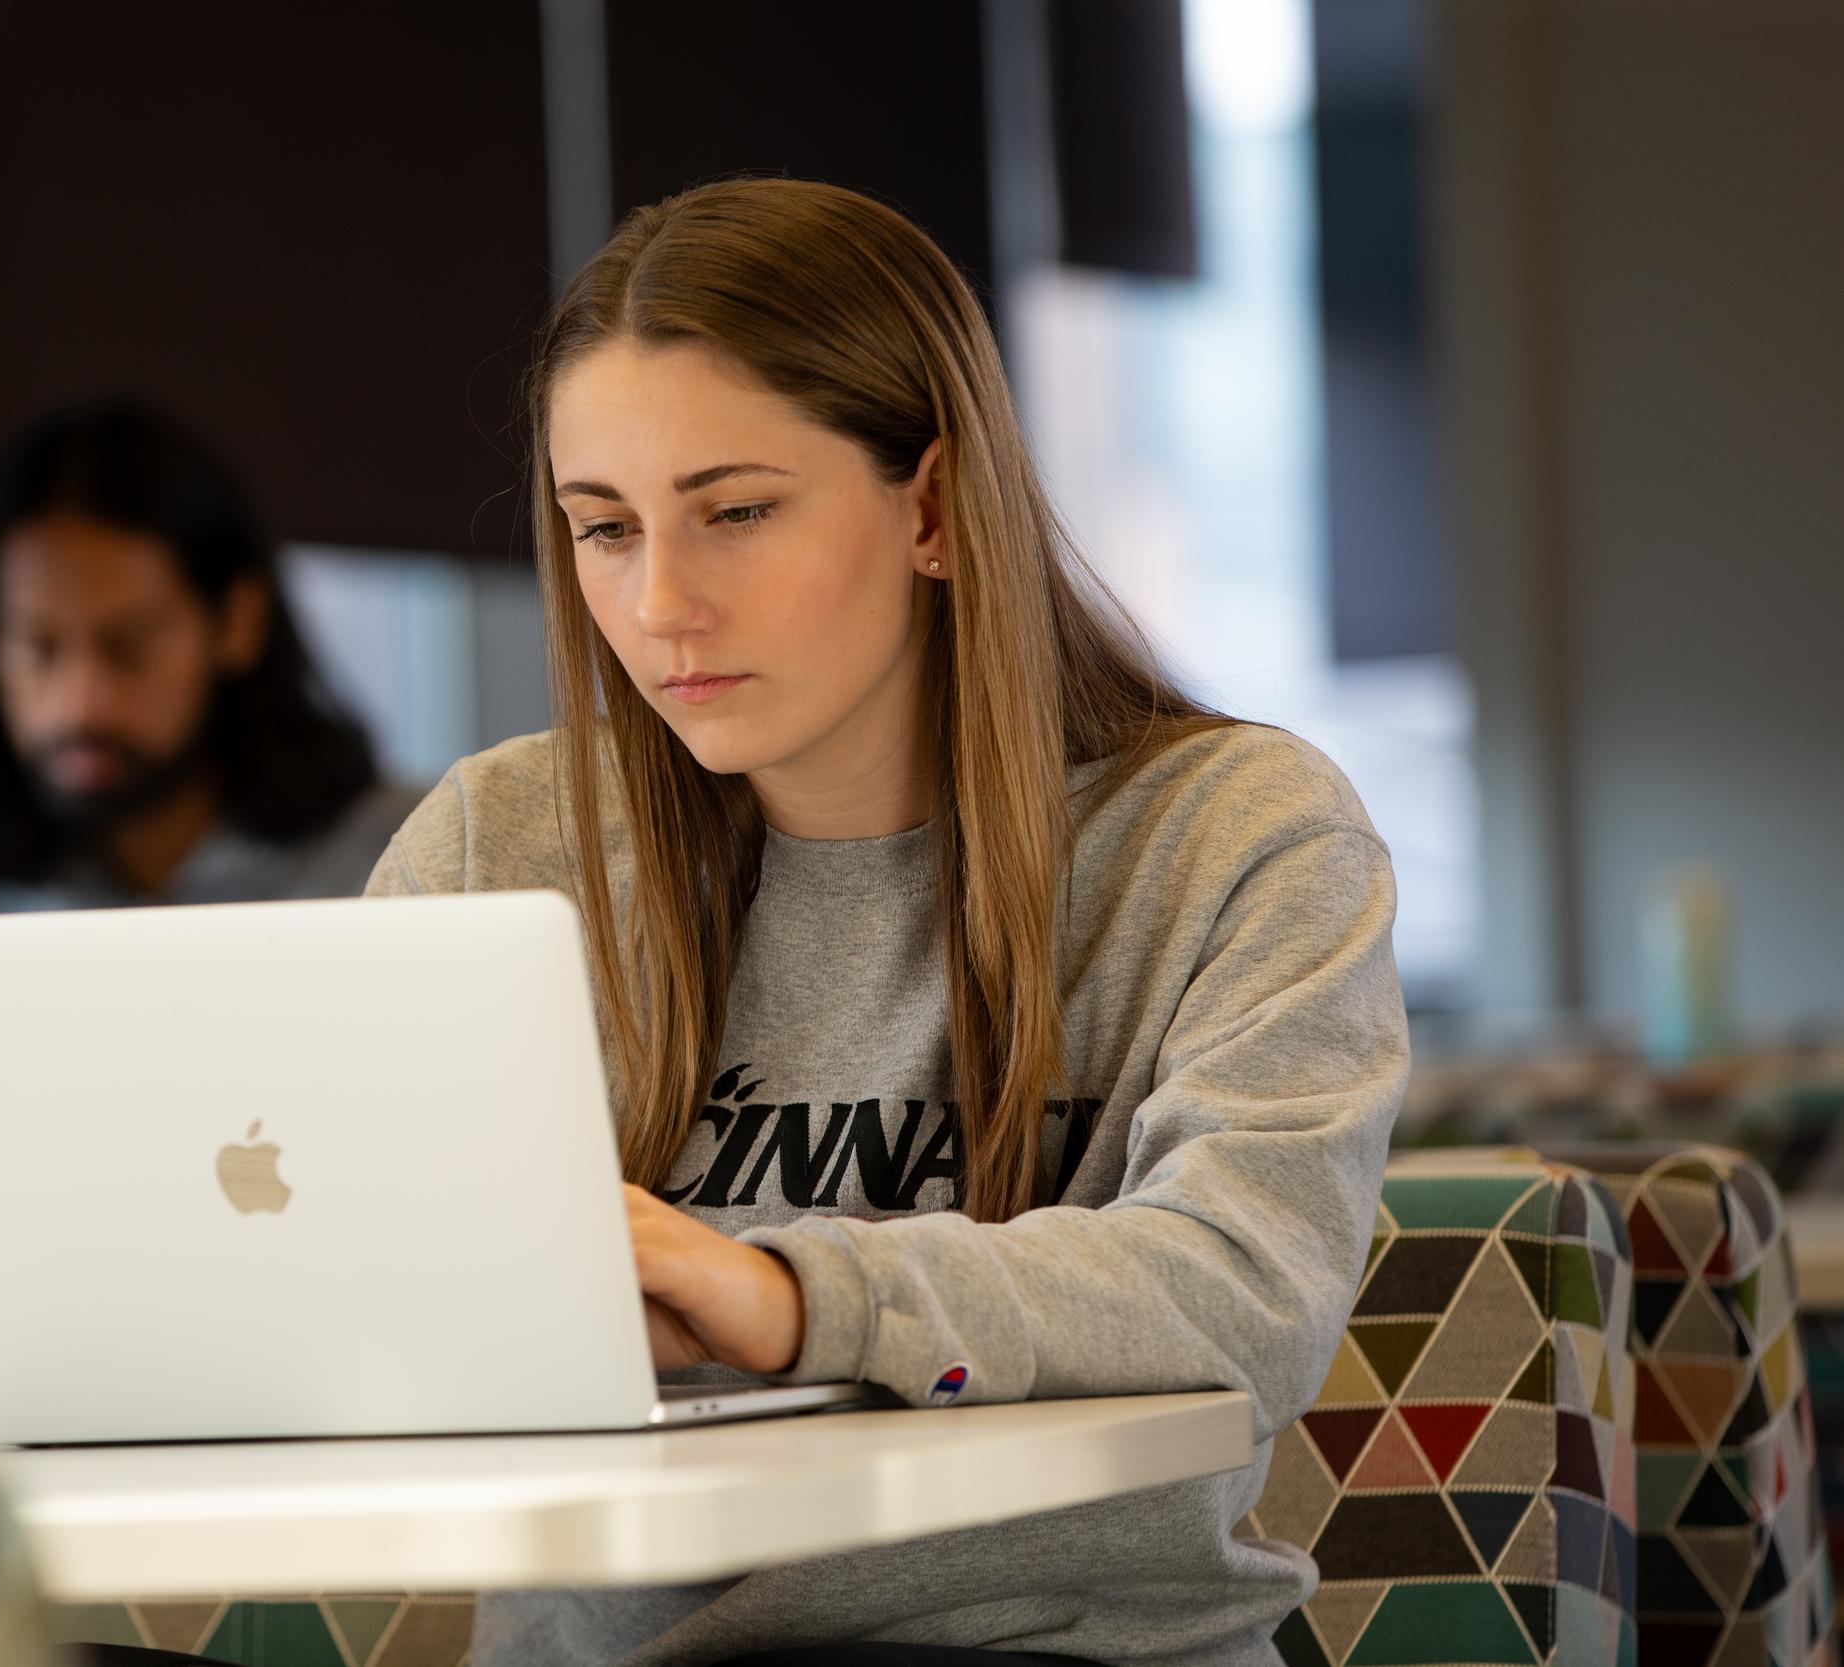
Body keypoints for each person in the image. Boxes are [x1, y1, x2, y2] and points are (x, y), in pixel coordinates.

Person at [362, 180, 1409, 1667]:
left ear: (929, 506)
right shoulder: (494, 844)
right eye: (605, 529)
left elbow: (1244, 1295)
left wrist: (787, 1292)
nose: (661, 602)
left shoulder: (1232, 833)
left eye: (735, 512)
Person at [0, 399, 418, 1177]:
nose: (80, 702)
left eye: (128, 647)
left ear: (238, 621)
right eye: (38, 648)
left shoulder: (409, 854)